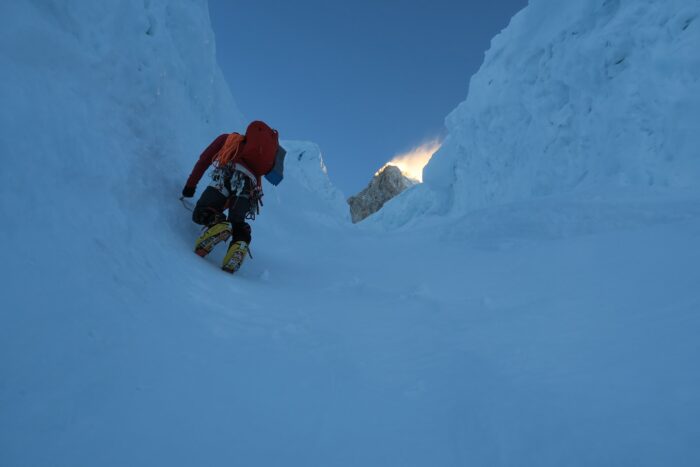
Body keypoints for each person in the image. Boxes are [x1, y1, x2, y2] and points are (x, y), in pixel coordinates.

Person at [181, 120, 285, 273]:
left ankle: (217, 222)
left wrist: (190, 187)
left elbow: (204, 160)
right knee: (237, 222)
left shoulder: (229, 140)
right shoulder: (259, 161)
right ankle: (241, 242)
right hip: (250, 188)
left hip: (227, 176)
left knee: (202, 212)